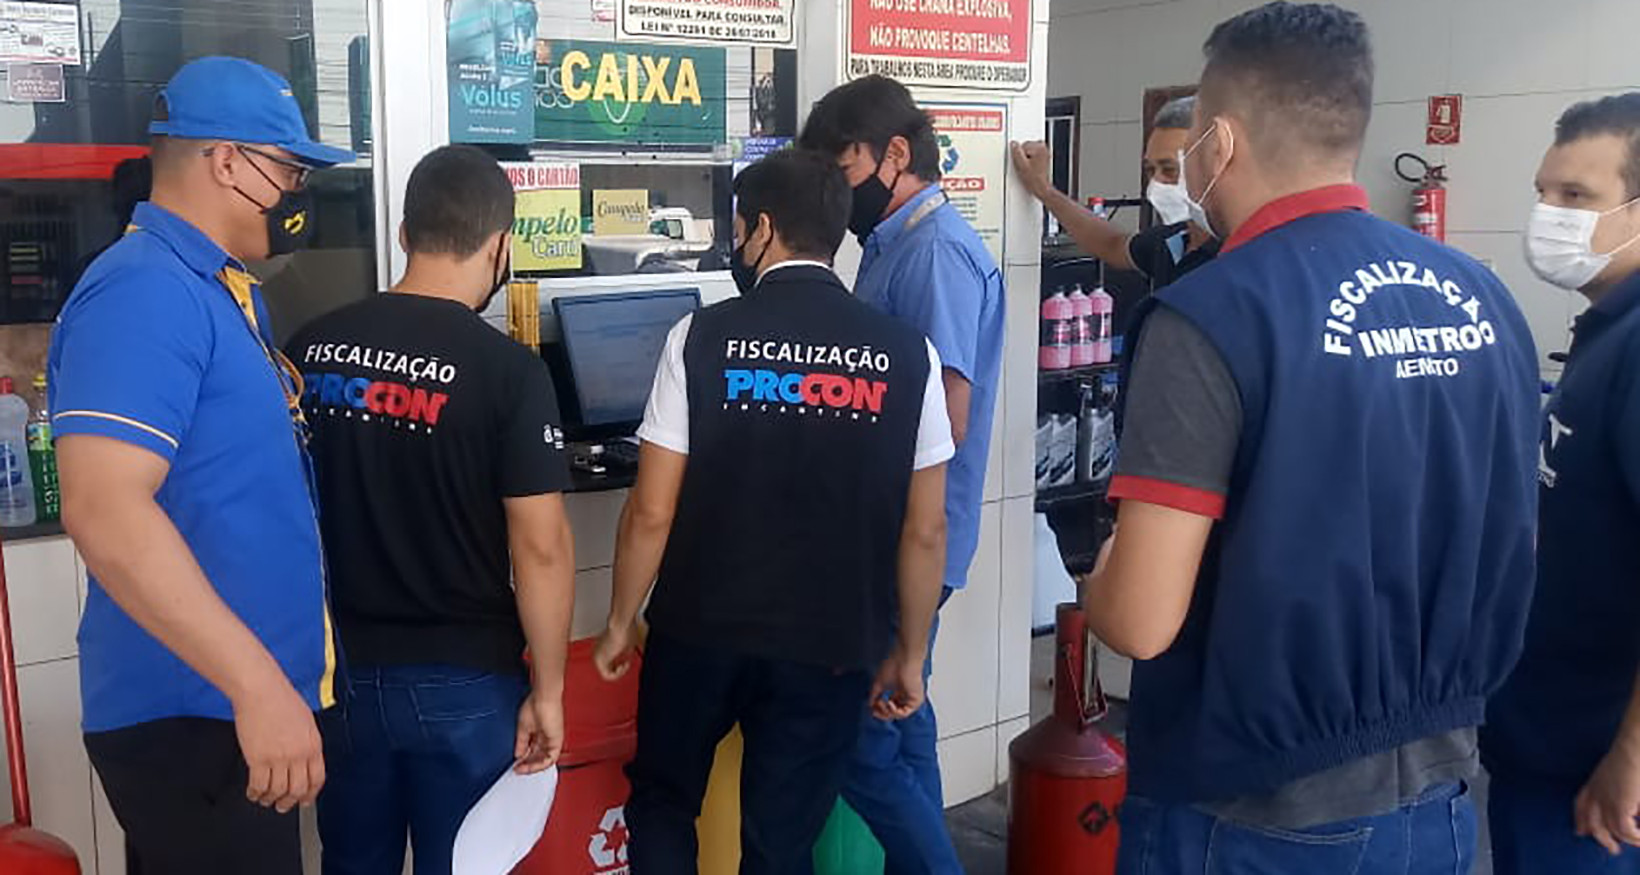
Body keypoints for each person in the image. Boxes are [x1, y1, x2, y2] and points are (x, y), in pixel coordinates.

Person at [1076, 4, 1540, 873]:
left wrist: (1101, 575)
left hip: (1250, 813)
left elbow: (1139, 620)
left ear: (1219, 142)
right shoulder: (1481, 298)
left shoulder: (1212, 314)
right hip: (1442, 797)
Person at [592, 148, 953, 874]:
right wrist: (910, 652)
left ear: (762, 228)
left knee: (663, 802)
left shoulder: (699, 337)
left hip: (699, 631)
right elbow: (925, 529)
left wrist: (621, 620)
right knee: (780, 843)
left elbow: (651, 510)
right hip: (831, 642)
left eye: (737, 230)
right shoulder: (909, 355)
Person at [48, 56, 353, 875]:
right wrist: (255, 684)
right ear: (225, 161)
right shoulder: (144, 291)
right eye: (288, 169)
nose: (294, 193)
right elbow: (104, 507)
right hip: (195, 714)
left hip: (225, 711)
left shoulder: (216, 289)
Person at [288, 145, 575, 875]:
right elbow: (540, 548)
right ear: (501, 245)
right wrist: (549, 691)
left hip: (339, 674)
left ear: (404, 234)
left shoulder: (309, 350)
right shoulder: (509, 372)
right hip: (465, 682)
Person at [798, 73, 1002, 875]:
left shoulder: (936, 253)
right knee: (902, 719)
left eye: (842, 169)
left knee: (860, 745)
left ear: (893, 154)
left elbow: (946, 416)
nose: (836, 192)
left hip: (908, 537)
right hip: (894, 534)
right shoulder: (893, 245)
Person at [1483, 92, 1640, 874]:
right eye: (1544, 192)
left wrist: (1631, 758)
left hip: (1597, 781)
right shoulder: (1606, 329)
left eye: (1577, 196)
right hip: (1546, 744)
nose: (1549, 215)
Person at [1012, 96, 1218, 290]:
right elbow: (1111, 243)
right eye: (1150, 170)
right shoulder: (1172, 242)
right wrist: (1044, 190)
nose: (1156, 185)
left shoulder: (1231, 258)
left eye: (1170, 169)